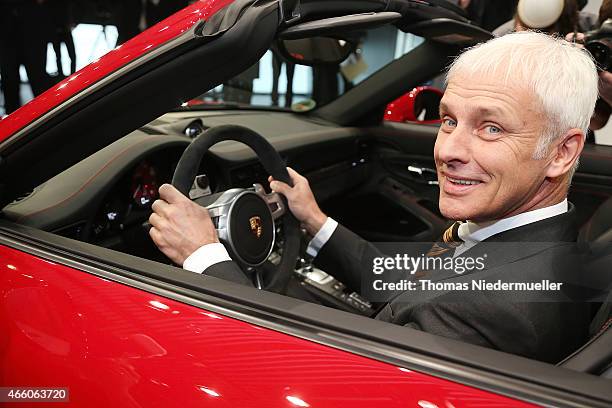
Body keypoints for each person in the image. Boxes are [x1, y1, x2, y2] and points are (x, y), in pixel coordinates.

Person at [148, 32, 599, 362]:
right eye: (448, 120)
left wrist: (204, 256)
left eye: (491, 128)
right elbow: (411, 284)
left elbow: (298, 372)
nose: (449, 151)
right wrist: (313, 218)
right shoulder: (536, 244)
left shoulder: (483, 309)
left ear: (562, 153)